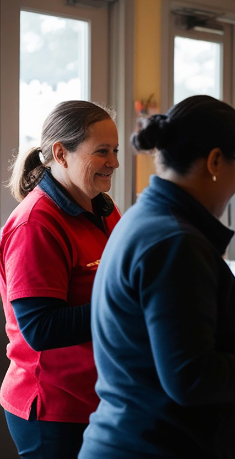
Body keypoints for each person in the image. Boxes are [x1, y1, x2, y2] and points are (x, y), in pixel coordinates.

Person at [79, 95, 235, 458]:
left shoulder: (148, 220)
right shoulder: (176, 242)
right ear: (216, 161)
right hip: (150, 446)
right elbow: (192, 378)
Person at [0, 101, 120, 458]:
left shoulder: (103, 207)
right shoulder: (36, 224)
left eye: (114, 150)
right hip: (54, 407)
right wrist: (130, 306)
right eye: (102, 151)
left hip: (98, 394)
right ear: (61, 154)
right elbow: (41, 328)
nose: (114, 161)